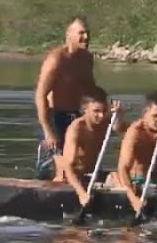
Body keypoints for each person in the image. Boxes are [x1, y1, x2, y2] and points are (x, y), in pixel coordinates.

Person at [34, 16, 97, 179]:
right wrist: (48, 131)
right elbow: (40, 96)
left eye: (88, 33)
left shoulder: (87, 59)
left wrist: (105, 107)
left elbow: (90, 89)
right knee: (59, 172)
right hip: (55, 117)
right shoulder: (56, 60)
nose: (86, 37)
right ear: (68, 35)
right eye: (81, 33)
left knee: (81, 164)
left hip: (76, 116)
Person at [54, 88, 129, 206]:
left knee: (117, 177)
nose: (101, 115)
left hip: (92, 174)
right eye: (96, 111)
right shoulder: (76, 129)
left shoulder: (106, 123)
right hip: (71, 176)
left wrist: (119, 116)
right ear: (85, 110)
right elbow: (68, 165)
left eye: (104, 111)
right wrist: (81, 193)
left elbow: (128, 134)